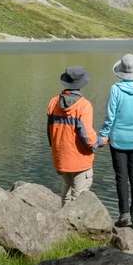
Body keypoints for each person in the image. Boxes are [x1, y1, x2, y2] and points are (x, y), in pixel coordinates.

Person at [98, 53, 133, 227]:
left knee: (121, 177)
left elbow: (110, 117)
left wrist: (104, 134)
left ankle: (124, 215)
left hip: (118, 139)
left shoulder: (115, 89)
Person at [47, 66, 102, 203]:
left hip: (61, 158)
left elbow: (49, 132)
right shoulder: (84, 105)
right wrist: (100, 142)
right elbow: (88, 138)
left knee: (66, 193)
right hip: (80, 161)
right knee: (79, 199)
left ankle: (63, 215)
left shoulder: (53, 102)